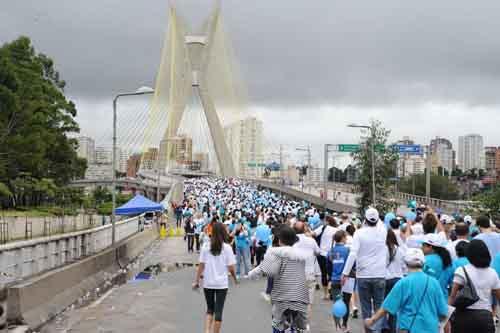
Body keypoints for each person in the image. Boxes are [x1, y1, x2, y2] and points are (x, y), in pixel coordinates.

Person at [364, 248, 448, 333]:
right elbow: (443, 312)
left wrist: (372, 320)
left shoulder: (403, 283)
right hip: (431, 328)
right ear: (423, 263)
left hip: (408, 328)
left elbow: (387, 307)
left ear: (406, 263)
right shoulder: (434, 282)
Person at [249, 226, 310, 333]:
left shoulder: (276, 253)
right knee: (300, 327)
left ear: (280, 240)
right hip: (300, 296)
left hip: (283, 297)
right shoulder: (300, 255)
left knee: (278, 325)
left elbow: (267, 270)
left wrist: (251, 274)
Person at [342, 207, 387, 333]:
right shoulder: (383, 231)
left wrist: (345, 273)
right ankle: (377, 331)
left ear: (365, 220)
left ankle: (368, 331)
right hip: (379, 274)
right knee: (379, 306)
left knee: (366, 308)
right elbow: (380, 223)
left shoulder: (359, 233)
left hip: (363, 275)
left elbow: (353, 254)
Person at [193, 222, 238, 333]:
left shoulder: (205, 246)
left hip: (208, 283)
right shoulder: (227, 248)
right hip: (222, 284)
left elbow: (201, 265)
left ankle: (207, 331)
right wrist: (235, 279)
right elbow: (231, 268)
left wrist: (196, 281)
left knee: (210, 309)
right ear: (223, 232)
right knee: (218, 312)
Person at [449, 239, 500, 333]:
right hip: (485, 318)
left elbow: (453, 296)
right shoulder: (492, 273)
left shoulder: (462, 270)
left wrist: (447, 316)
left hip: (463, 316)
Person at [293, 221, 321, 323]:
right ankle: (305, 324)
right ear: (304, 229)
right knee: (308, 303)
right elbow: (318, 252)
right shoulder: (311, 241)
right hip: (309, 273)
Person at [329, 230, 353, 333]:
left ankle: (337, 327)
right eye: (345, 237)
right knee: (346, 303)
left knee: (337, 303)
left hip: (335, 279)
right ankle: (344, 325)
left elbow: (328, 266)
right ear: (343, 238)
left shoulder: (331, 251)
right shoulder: (348, 250)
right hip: (347, 279)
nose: (346, 238)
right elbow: (352, 264)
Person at [384, 229, 406, 333]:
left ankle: (383, 327)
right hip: (398, 280)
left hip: (386, 280)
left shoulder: (382, 249)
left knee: (383, 305)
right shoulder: (400, 250)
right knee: (395, 308)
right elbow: (403, 266)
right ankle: (392, 329)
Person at [421, 233, 453, 300]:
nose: (421, 247)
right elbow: (451, 282)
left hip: (427, 299)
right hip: (443, 299)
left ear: (430, 247)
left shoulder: (424, 260)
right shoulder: (447, 260)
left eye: (423, 245)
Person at [314, 215, 338, 300]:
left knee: (324, 273)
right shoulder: (337, 230)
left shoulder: (323, 228)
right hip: (333, 253)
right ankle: (330, 287)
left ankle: (325, 294)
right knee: (333, 273)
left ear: (327, 221)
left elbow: (313, 234)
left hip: (322, 253)